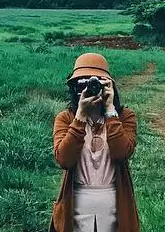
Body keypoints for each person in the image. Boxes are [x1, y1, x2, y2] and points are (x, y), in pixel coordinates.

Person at [51, 52, 139, 232]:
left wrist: (110, 110)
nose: (90, 88)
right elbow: (64, 160)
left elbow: (122, 153)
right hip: (75, 204)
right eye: (82, 84)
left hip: (115, 204)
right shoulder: (65, 118)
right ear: (75, 88)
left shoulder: (125, 117)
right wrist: (80, 116)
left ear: (109, 86)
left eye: (96, 83)